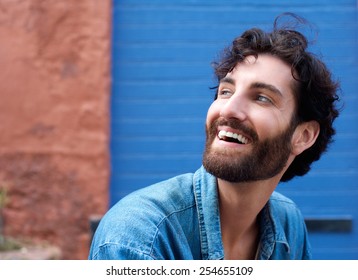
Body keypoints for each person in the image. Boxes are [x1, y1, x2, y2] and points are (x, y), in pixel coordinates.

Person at [89, 14, 340, 260]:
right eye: (225, 91)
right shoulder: (139, 237)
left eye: (262, 98)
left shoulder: (289, 225)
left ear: (304, 136)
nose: (228, 109)